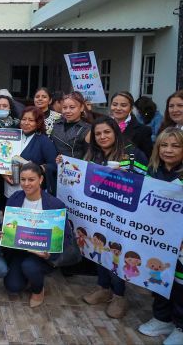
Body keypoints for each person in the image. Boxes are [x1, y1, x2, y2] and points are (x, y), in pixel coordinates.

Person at [81, 116, 148, 319]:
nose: (102, 137)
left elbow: (147, 183)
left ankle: (119, 295)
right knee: (99, 247)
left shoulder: (133, 154)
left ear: (116, 133)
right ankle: (103, 288)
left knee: (117, 253)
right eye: (98, 133)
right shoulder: (94, 154)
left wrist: (125, 174)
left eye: (107, 132)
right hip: (99, 213)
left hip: (123, 216)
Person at [138, 127, 183, 344]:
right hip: (157, 238)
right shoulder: (152, 171)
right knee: (158, 277)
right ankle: (162, 318)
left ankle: (181, 326)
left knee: (180, 284)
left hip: (180, 242)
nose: (168, 150)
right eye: (164, 145)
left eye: (175, 146)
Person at [2, 163, 67, 307]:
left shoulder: (55, 205)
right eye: (23, 179)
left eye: (31, 179)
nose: (26, 184)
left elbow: (65, 238)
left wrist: (49, 255)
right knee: (13, 286)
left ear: (41, 179)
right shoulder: (14, 198)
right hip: (20, 250)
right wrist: (4, 234)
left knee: (30, 266)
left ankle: (38, 290)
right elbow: (9, 225)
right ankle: (28, 277)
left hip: (42, 255)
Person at [3, 107, 58, 197]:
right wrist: (3, 174)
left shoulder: (44, 141)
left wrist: (38, 168)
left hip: (31, 191)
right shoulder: (12, 136)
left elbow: (53, 165)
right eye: (24, 119)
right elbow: (2, 158)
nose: (26, 123)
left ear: (38, 123)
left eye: (31, 120)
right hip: (10, 188)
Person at [109, 91, 153, 157]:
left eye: (123, 105)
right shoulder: (102, 125)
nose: (118, 108)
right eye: (114, 104)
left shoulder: (143, 130)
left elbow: (146, 158)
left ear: (131, 108)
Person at [51, 92, 91, 159]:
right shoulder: (56, 123)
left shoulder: (87, 129)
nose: (67, 111)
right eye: (64, 107)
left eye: (72, 107)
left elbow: (88, 155)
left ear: (81, 108)